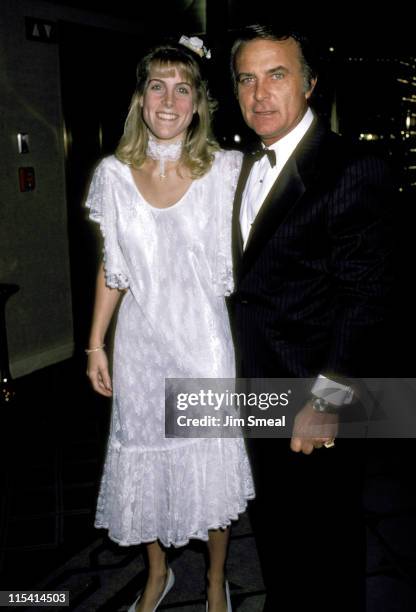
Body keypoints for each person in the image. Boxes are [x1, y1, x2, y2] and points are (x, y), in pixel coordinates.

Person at [229, 24, 394, 612]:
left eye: (277, 75)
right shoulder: (243, 168)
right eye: (247, 78)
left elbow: (367, 300)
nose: (260, 94)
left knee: (327, 548)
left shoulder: (351, 166)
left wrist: (328, 402)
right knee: (280, 535)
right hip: (258, 386)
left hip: (315, 393)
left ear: (309, 84)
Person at [85, 38, 254, 612]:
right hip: (139, 348)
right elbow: (114, 266)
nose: (168, 99)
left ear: (200, 104)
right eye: (157, 85)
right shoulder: (112, 175)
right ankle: (158, 574)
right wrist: (94, 345)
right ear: (139, 98)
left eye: (183, 88)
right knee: (146, 459)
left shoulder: (227, 170)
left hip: (204, 347)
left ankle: (214, 580)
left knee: (208, 467)